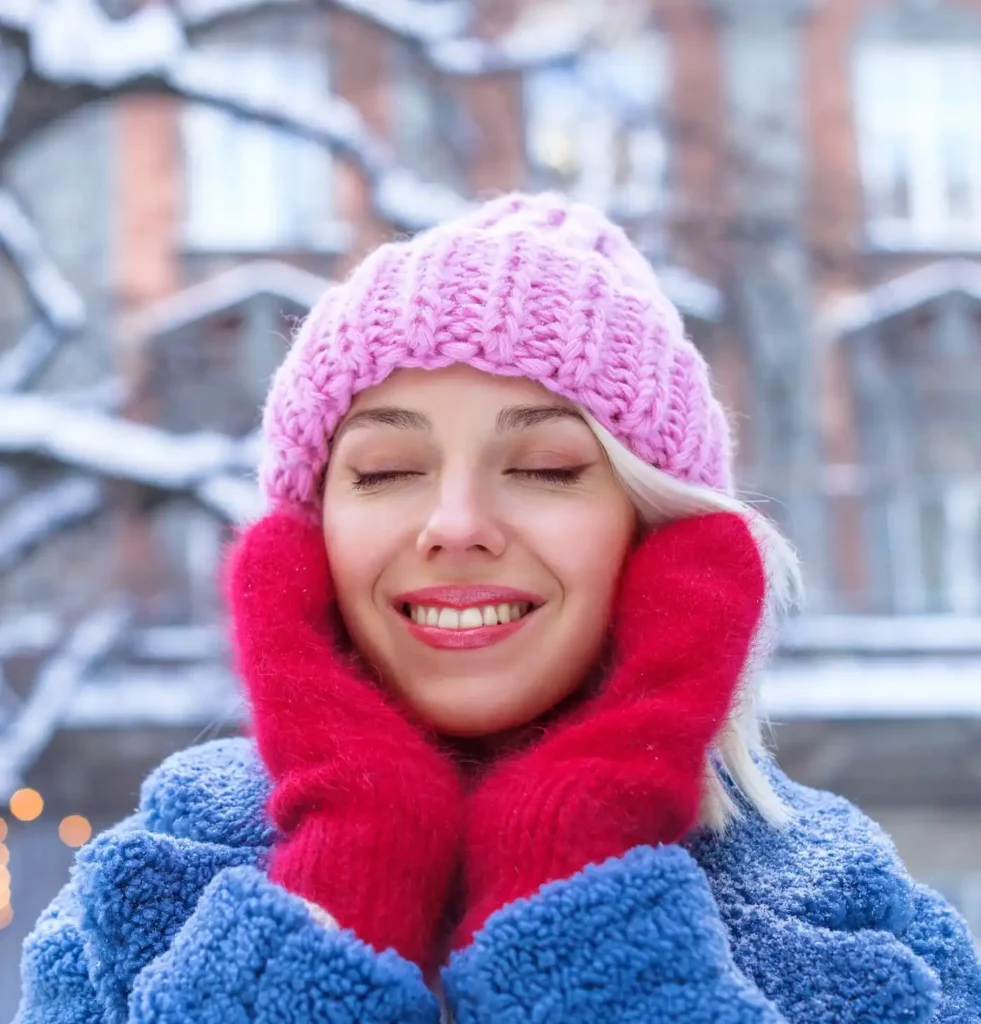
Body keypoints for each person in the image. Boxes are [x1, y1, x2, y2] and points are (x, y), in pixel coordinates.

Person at [16, 193, 980, 1024]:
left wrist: (575, 861)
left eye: (547, 468)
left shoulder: (855, 923)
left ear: (661, 542)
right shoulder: (140, 895)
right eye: (387, 470)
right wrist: (352, 863)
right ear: (308, 547)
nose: (456, 523)